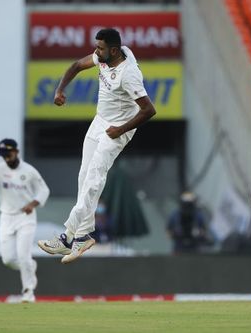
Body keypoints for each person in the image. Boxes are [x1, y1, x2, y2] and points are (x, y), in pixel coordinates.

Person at [37, 28, 156, 264]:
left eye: (100, 48)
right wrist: (60, 89)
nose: (96, 51)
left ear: (113, 50)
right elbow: (76, 66)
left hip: (118, 128)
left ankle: (67, 236)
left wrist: (120, 130)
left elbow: (149, 110)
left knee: (94, 177)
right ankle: (84, 235)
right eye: (97, 47)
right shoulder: (106, 56)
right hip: (99, 121)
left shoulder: (128, 74)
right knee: (84, 176)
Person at [0, 138, 49, 303]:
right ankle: (30, 266)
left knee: (23, 256)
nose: (6, 158)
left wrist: (33, 204)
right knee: (8, 260)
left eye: (8, 154)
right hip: (6, 217)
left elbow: (44, 190)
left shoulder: (29, 171)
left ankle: (28, 293)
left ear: (16, 152)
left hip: (26, 217)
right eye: (3, 155)